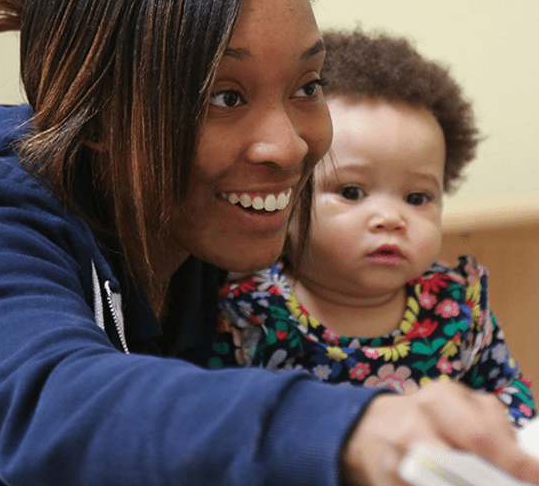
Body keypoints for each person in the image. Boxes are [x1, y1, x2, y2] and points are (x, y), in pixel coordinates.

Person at [0, 0, 537, 486]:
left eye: (307, 85)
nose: (289, 147)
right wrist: (349, 429)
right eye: (224, 97)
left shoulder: (215, 233)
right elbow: (55, 400)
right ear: (97, 116)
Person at [209, 28, 536, 426]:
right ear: (290, 197)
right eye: (351, 191)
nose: (390, 218)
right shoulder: (253, 311)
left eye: (417, 198)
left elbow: (511, 396)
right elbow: (222, 422)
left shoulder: (457, 307)